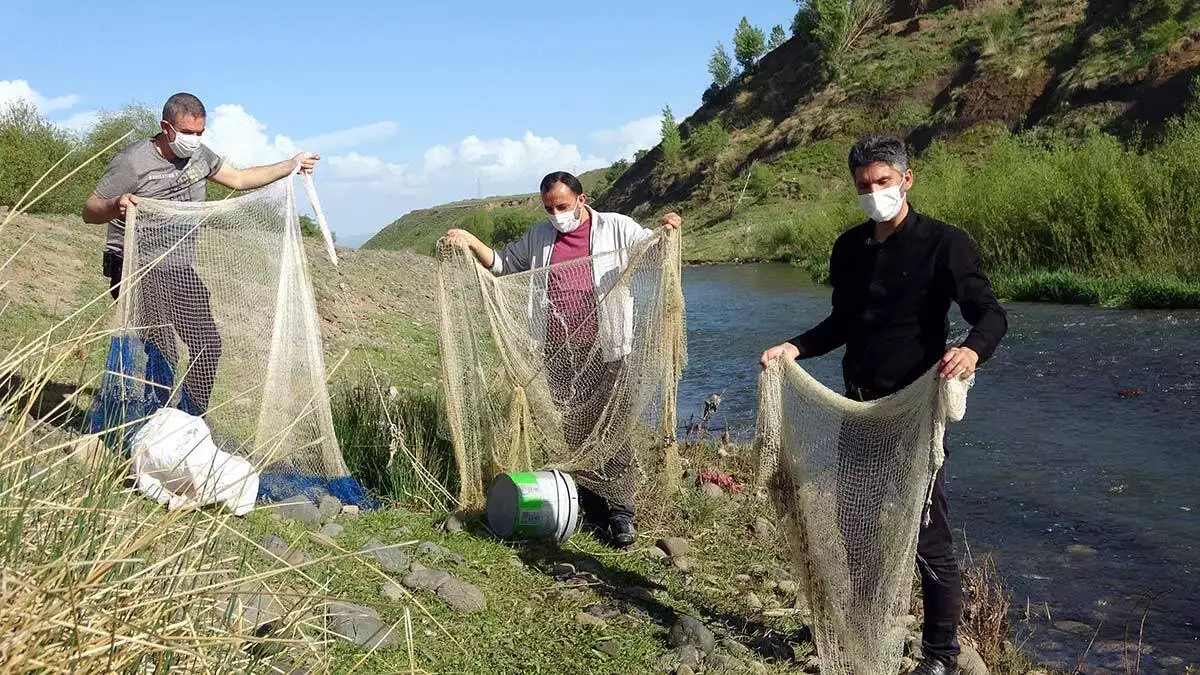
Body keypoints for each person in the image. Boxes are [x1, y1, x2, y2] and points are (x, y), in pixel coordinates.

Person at [758, 134, 1007, 675]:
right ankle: (867, 622)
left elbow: (991, 315)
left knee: (926, 536)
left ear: (906, 180)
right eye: (864, 186)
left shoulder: (946, 243)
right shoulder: (848, 248)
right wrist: (794, 346)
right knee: (857, 526)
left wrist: (971, 349)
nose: (874, 194)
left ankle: (940, 656)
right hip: (860, 408)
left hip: (916, 413)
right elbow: (842, 324)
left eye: (883, 183)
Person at [443, 171, 681, 548]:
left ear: (582, 200)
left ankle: (621, 514)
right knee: (574, 430)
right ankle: (587, 503)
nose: (556, 214)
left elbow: (650, 248)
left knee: (612, 430)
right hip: (558, 347)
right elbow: (504, 264)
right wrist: (471, 242)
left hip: (607, 346)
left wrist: (667, 227)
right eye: (549, 208)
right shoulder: (540, 236)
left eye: (563, 206)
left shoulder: (616, 227)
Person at [82, 92, 319, 415]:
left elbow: (239, 178)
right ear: (166, 127)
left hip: (177, 266)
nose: (193, 140)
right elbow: (90, 209)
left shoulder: (200, 157)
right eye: (187, 133)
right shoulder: (133, 162)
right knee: (162, 348)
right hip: (133, 265)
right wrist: (116, 205)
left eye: (199, 134)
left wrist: (289, 166)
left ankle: (189, 420)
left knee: (208, 344)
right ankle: (153, 424)